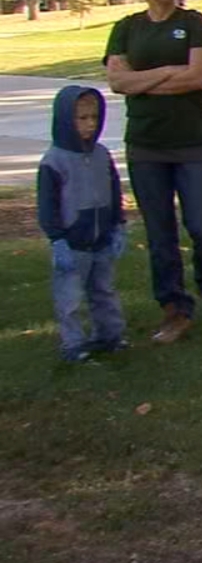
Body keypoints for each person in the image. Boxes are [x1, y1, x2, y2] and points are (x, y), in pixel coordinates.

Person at [104, 0, 202, 345]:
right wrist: (168, 72)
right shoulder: (127, 28)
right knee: (160, 235)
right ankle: (175, 309)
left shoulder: (195, 24)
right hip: (146, 145)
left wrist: (142, 82)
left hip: (194, 141)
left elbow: (198, 77)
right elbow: (117, 82)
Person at [37, 86, 128, 363]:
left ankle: (109, 335)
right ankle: (73, 343)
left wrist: (118, 224)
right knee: (70, 298)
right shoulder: (54, 161)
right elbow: (48, 205)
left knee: (104, 291)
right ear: (66, 120)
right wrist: (57, 239)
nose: (90, 124)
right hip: (73, 243)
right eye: (82, 118)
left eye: (94, 117)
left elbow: (114, 191)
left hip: (102, 239)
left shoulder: (102, 155)